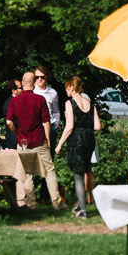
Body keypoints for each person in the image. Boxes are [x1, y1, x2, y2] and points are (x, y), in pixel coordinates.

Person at [4, 71, 63, 209]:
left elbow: (9, 122)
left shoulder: (14, 100)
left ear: (23, 84)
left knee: (26, 173)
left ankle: (31, 204)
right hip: (39, 140)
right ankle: (57, 202)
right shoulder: (40, 99)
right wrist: (48, 139)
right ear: (34, 83)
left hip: (23, 142)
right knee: (49, 171)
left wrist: (17, 133)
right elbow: (46, 122)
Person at [55, 76, 100, 218]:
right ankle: (81, 205)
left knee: (78, 175)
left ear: (72, 88)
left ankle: (83, 210)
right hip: (90, 139)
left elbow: (69, 126)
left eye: (67, 88)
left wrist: (59, 144)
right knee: (85, 169)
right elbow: (97, 126)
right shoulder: (90, 103)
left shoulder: (70, 103)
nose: (66, 91)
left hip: (77, 140)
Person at [34, 68, 62, 134]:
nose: (39, 79)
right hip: (35, 127)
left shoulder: (53, 92)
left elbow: (56, 110)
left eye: (42, 77)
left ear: (46, 77)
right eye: (37, 77)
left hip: (50, 126)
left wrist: (56, 124)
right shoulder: (31, 92)